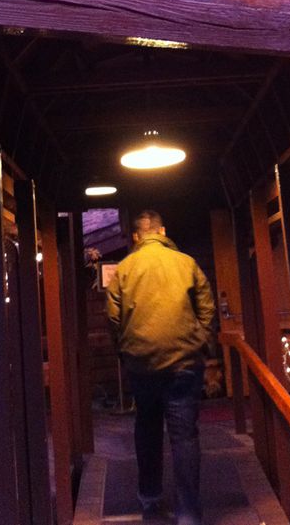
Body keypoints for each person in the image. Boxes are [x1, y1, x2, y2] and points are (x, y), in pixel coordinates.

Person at [106, 210, 216, 524]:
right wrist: (201, 343)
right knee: (184, 437)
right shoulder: (187, 262)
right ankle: (189, 514)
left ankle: (151, 503)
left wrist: (124, 351)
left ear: (136, 237)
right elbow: (206, 309)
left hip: (141, 364)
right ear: (162, 231)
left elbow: (113, 317)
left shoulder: (125, 268)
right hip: (184, 362)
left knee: (147, 430)